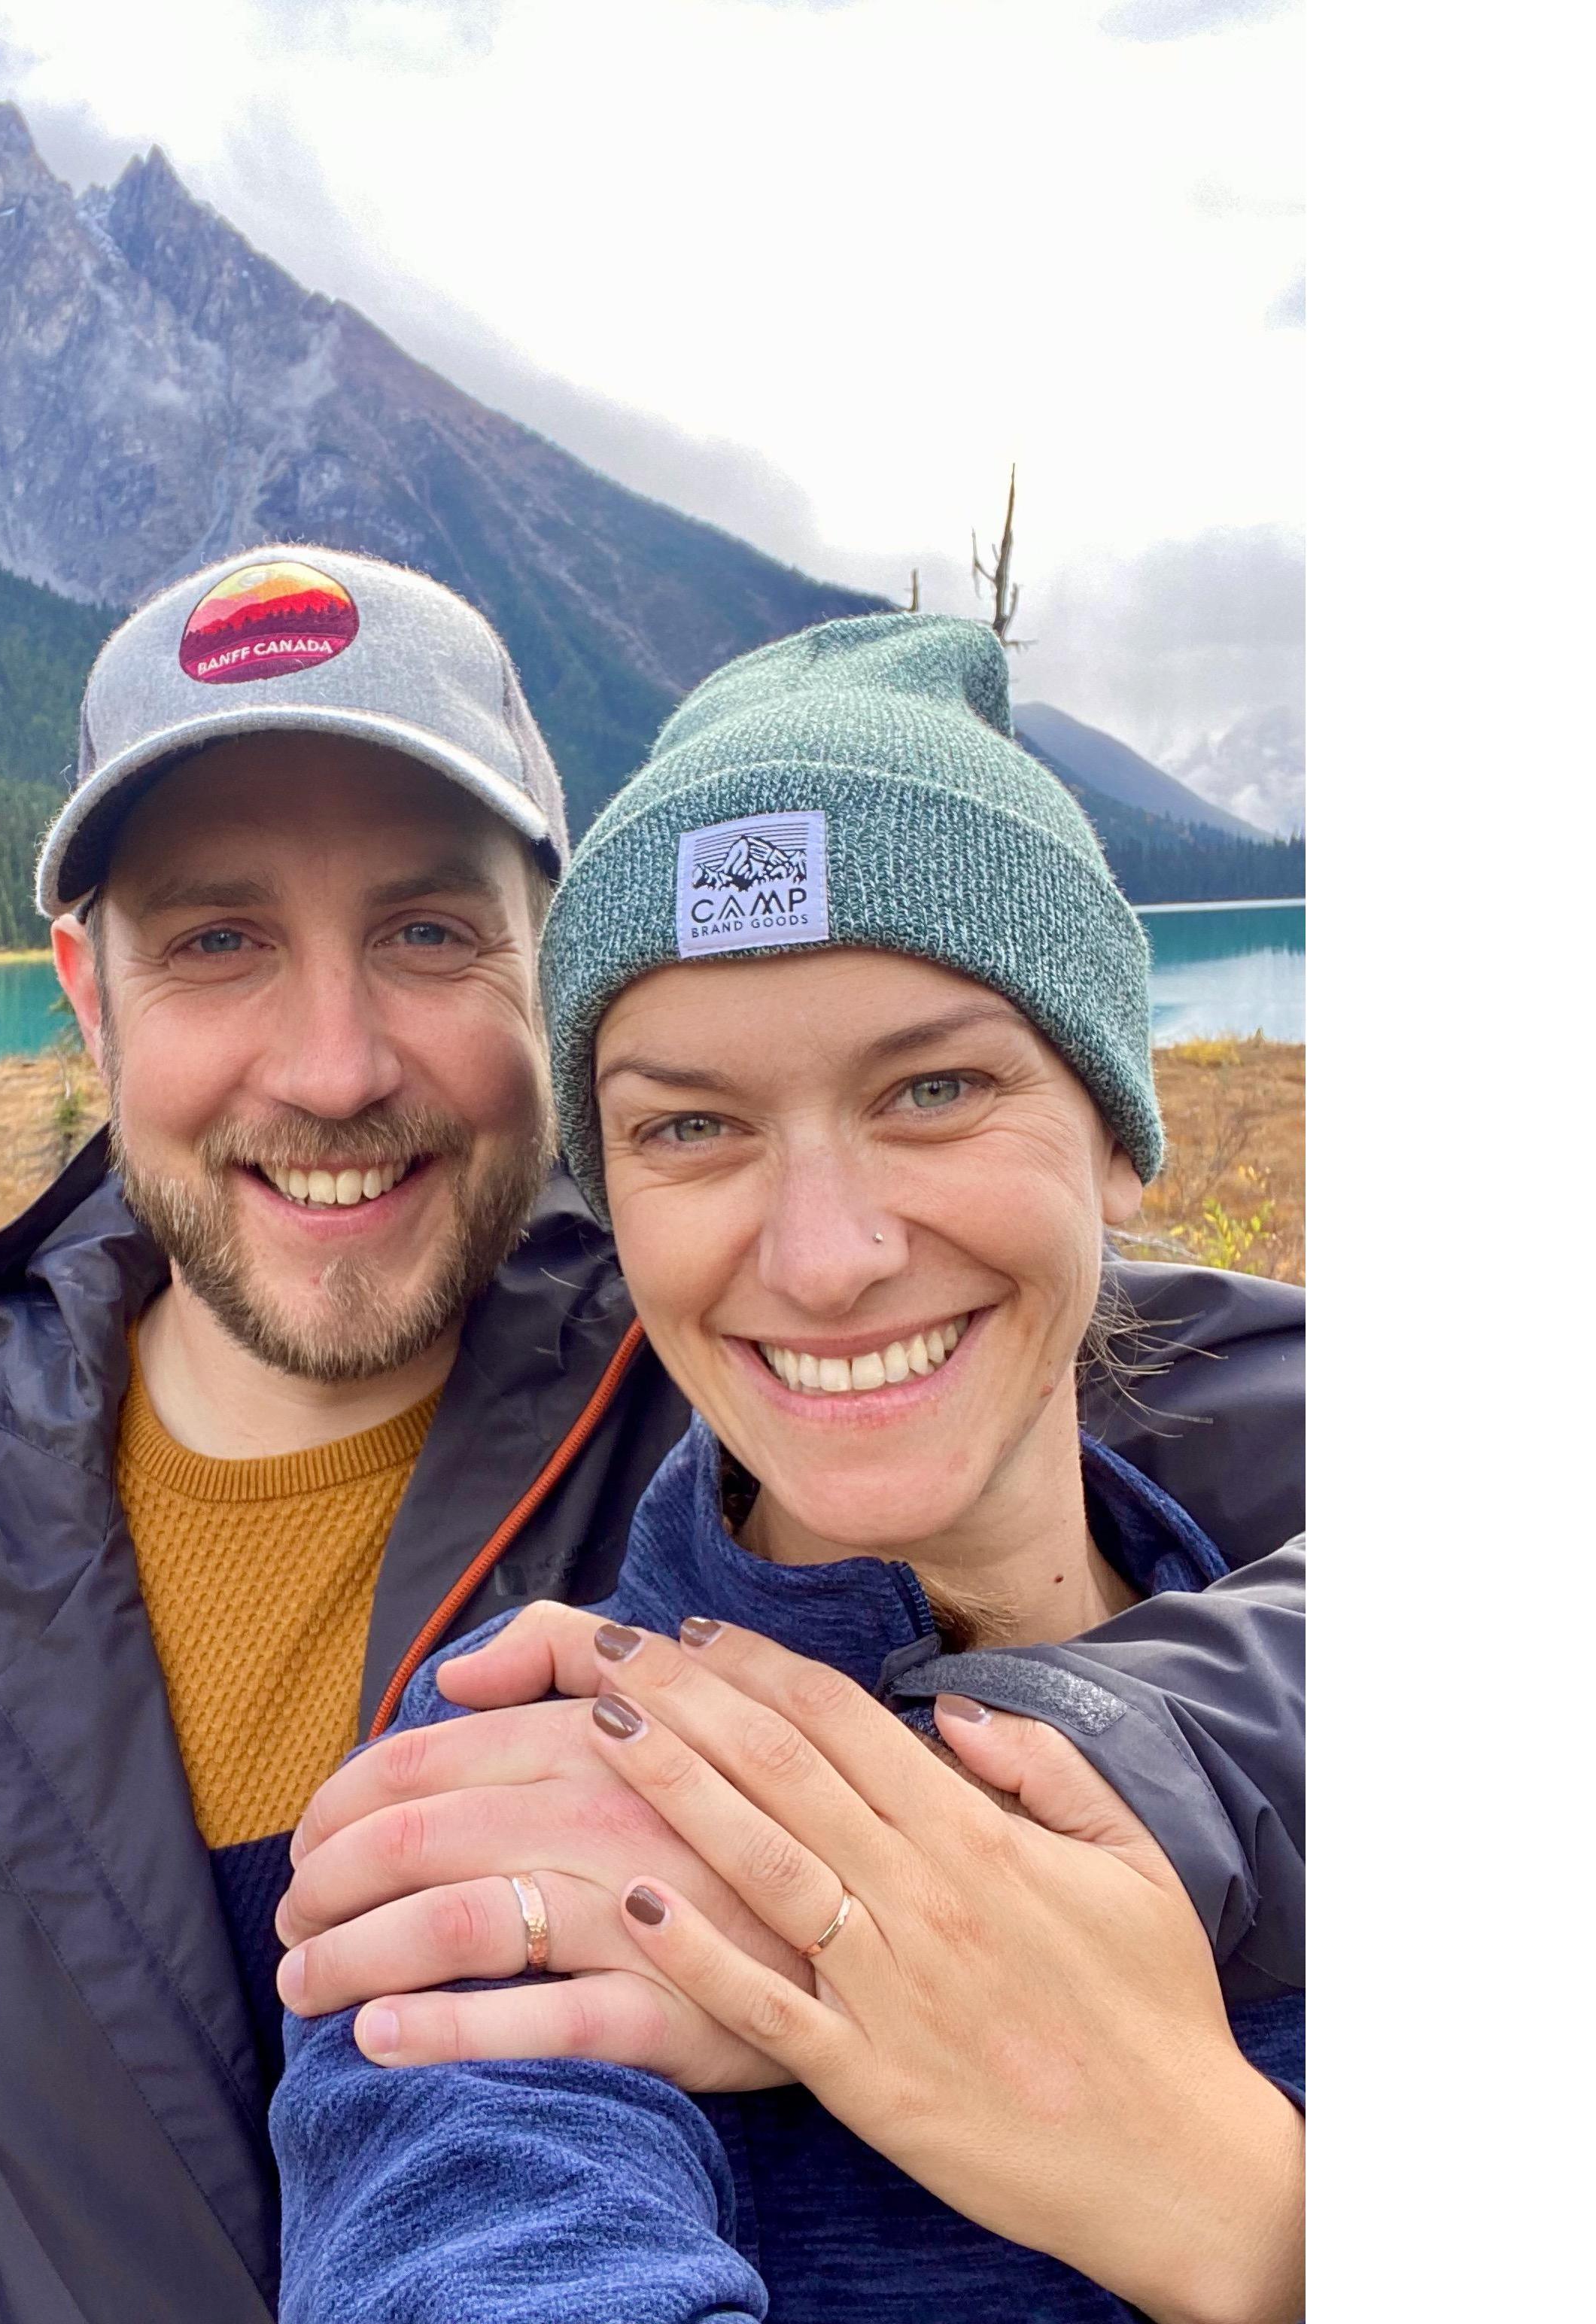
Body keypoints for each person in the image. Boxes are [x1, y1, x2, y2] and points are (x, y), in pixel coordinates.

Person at [0, 553, 1306, 2323]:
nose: (335, 1065)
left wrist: (1014, 1791)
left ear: (544, 968)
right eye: (216, 940)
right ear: (87, 988)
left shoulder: (783, 1370)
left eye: (428, 931)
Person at [271, 613, 1306, 2323]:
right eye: (691, 1124)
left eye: (934, 1088)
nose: (824, 1256)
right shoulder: (518, 1806)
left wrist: (1236, 2208)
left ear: (1115, 1131)